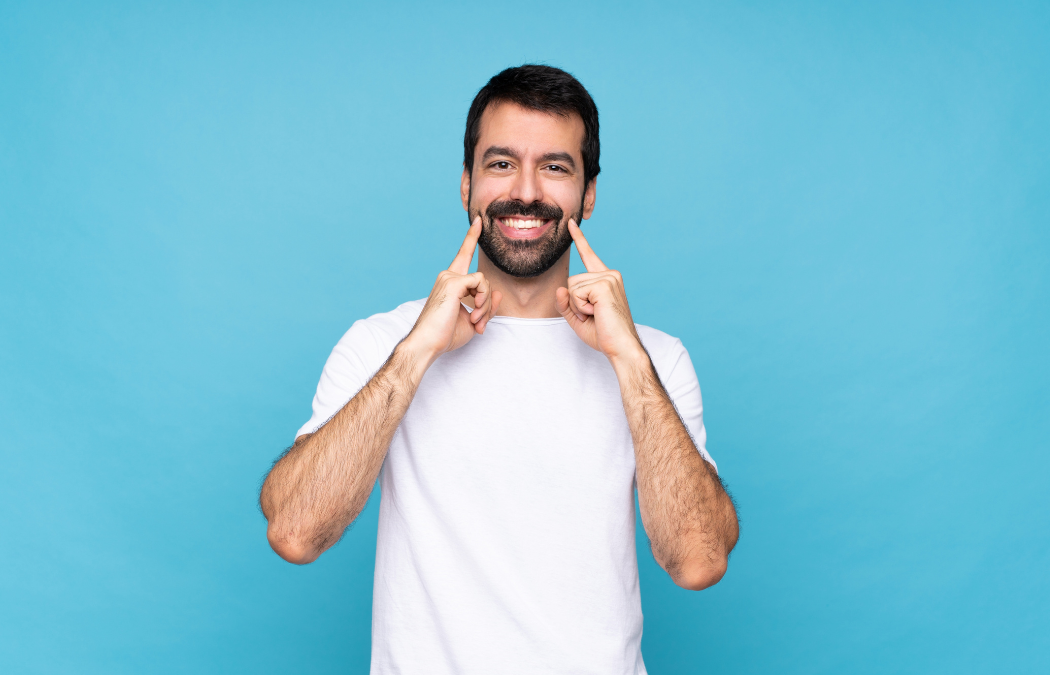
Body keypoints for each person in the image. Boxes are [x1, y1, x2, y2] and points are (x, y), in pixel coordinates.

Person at [259, 64, 739, 674]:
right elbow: (295, 533)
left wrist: (628, 360)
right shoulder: (382, 343)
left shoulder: (654, 359)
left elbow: (698, 562)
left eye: (556, 167)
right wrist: (417, 351)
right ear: (466, 185)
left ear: (589, 193)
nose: (528, 192)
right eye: (501, 163)